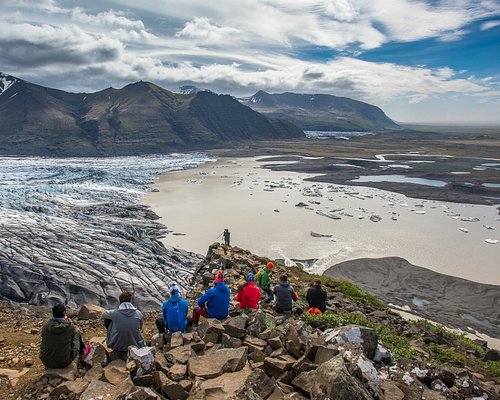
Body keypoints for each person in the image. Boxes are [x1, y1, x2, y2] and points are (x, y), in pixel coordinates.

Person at [102, 291, 145, 359]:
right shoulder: (138, 313)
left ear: (120, 301)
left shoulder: (115, 313)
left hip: (118, 346)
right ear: (130, 300)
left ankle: (111, 340)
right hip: (136, 344)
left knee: (108, 319)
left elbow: (103, 314)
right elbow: (140, 327)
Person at [39, 303, 83, 369]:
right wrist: (69, 323)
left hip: (46, 361)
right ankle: (82, 353)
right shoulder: (70, 327)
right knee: (77, 331)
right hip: (63, 362)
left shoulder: (46, 326)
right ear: (64, 312)